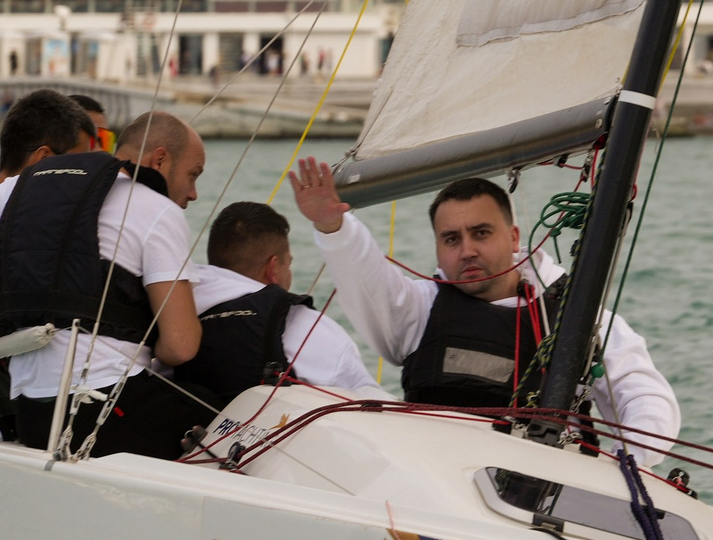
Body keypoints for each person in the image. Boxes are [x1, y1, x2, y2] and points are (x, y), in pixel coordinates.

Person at [286, 159, 679, 457]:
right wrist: (333, 228)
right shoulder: (419, 309)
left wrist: (626, 465)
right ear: (438, 249)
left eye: (481, 233)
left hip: (545, 490)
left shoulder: (578, 318)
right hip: (436, 481)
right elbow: (366, 279)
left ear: (512, 237)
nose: (467, 250)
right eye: (451, 239)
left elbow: (646, 397)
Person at [0, 105, 206, 461]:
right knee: (229, 414)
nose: (193, 193)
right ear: (160, 160)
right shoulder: (159, 211)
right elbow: (181, 347)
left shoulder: (20, 189)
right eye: (193, 175)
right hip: (107, 410)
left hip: (30, 411)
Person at [176, 201, 373, 412]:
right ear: (273, 268)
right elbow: (371, 401)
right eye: (288, 263)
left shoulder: (175, 314)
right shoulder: (307, 327)